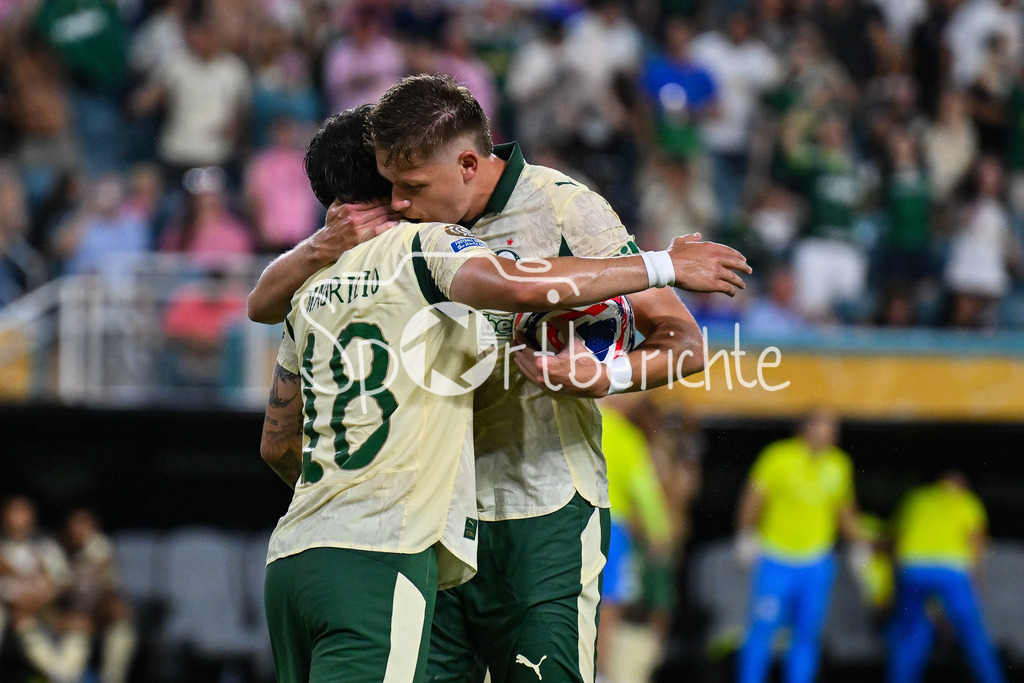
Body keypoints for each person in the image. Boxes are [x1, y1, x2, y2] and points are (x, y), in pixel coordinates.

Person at [249, 74, 749, 682]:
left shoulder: (563, 207)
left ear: (466, 164)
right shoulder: (405, 235)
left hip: (541, 508)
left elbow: (686, 344)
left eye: (412, 188)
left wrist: (604, 373)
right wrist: (319, 248)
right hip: (431, 524)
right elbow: (265, 302)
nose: (399, 204)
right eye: (392, 189)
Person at [734, 410, 863, 683]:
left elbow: (844, 509)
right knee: (762, 632)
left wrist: (856, 544)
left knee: (807, 634)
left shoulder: (839, 463)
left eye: (833, 429)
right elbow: (754, 497)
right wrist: (746, 534)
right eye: (825, 427)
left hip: (816, 562)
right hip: (776, 559)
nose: (831, 435)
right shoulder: (778, 456)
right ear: (805, 428)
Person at [887, 471, 1005, 683]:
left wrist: (895, 582)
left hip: (913, 569)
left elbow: (897, 538)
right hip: (951, 571)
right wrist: (977, 579)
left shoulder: (916, 498)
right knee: (972, 633)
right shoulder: (967, 501)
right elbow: (976, 542)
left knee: (911, 634)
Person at [596, 397, 673, 682]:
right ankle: (599, 673)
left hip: (573, 522)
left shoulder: (575, 419)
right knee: (609, 604)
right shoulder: (628, 437)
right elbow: (644, 490)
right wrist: (660, 533)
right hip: (613, 528)